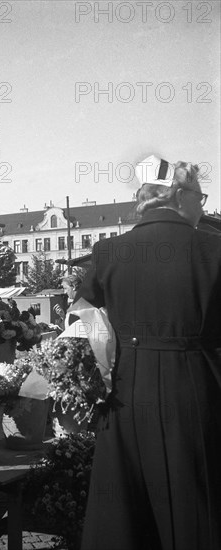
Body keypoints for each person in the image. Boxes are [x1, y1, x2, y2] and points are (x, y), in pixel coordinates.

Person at [78, 155, 221, 549]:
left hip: (125, 391)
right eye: (200, 195)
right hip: (195, 388)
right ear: (177, 195)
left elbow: (80, 316)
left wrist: (102, 364)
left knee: (126, 508)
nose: (202, 205)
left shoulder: (109, 251)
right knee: (197, 501)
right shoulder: (214, 249)